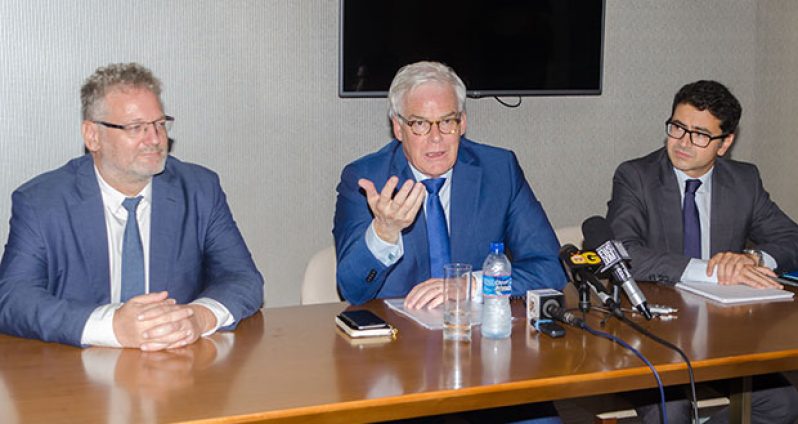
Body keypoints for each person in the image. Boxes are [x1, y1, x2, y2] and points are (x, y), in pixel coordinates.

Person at [0, 63, 264, 351]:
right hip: (77, 374)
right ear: (92, 136)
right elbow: (13, 298)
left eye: (160, 124)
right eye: (136, 127)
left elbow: (243, 278)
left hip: (178, 370)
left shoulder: (199, 190)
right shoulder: (42, 203)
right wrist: (111, 326)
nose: (155, 139)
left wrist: (197, 317)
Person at [607, 80, 798, 423]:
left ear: (725, 144)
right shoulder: (636, 176)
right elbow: (626, 253)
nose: (683, 142)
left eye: (700, 134)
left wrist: (752, 259)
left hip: (725, 332)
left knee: (783, 404)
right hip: (652, 332)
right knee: (673, 411)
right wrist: (712, 268)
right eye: (677, 127)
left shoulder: (744, 181)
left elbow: (791, 238)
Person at [333, 61, 566, 309]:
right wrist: (384, 234)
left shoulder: (499, 171)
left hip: (475, 336)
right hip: (397, 338)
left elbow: (551, 268)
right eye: (420, 124)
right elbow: (353, 289)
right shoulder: (367, 180)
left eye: (447, 122)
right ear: (398, 128)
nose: (436, 138)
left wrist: (473, 285)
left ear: (462, 123)